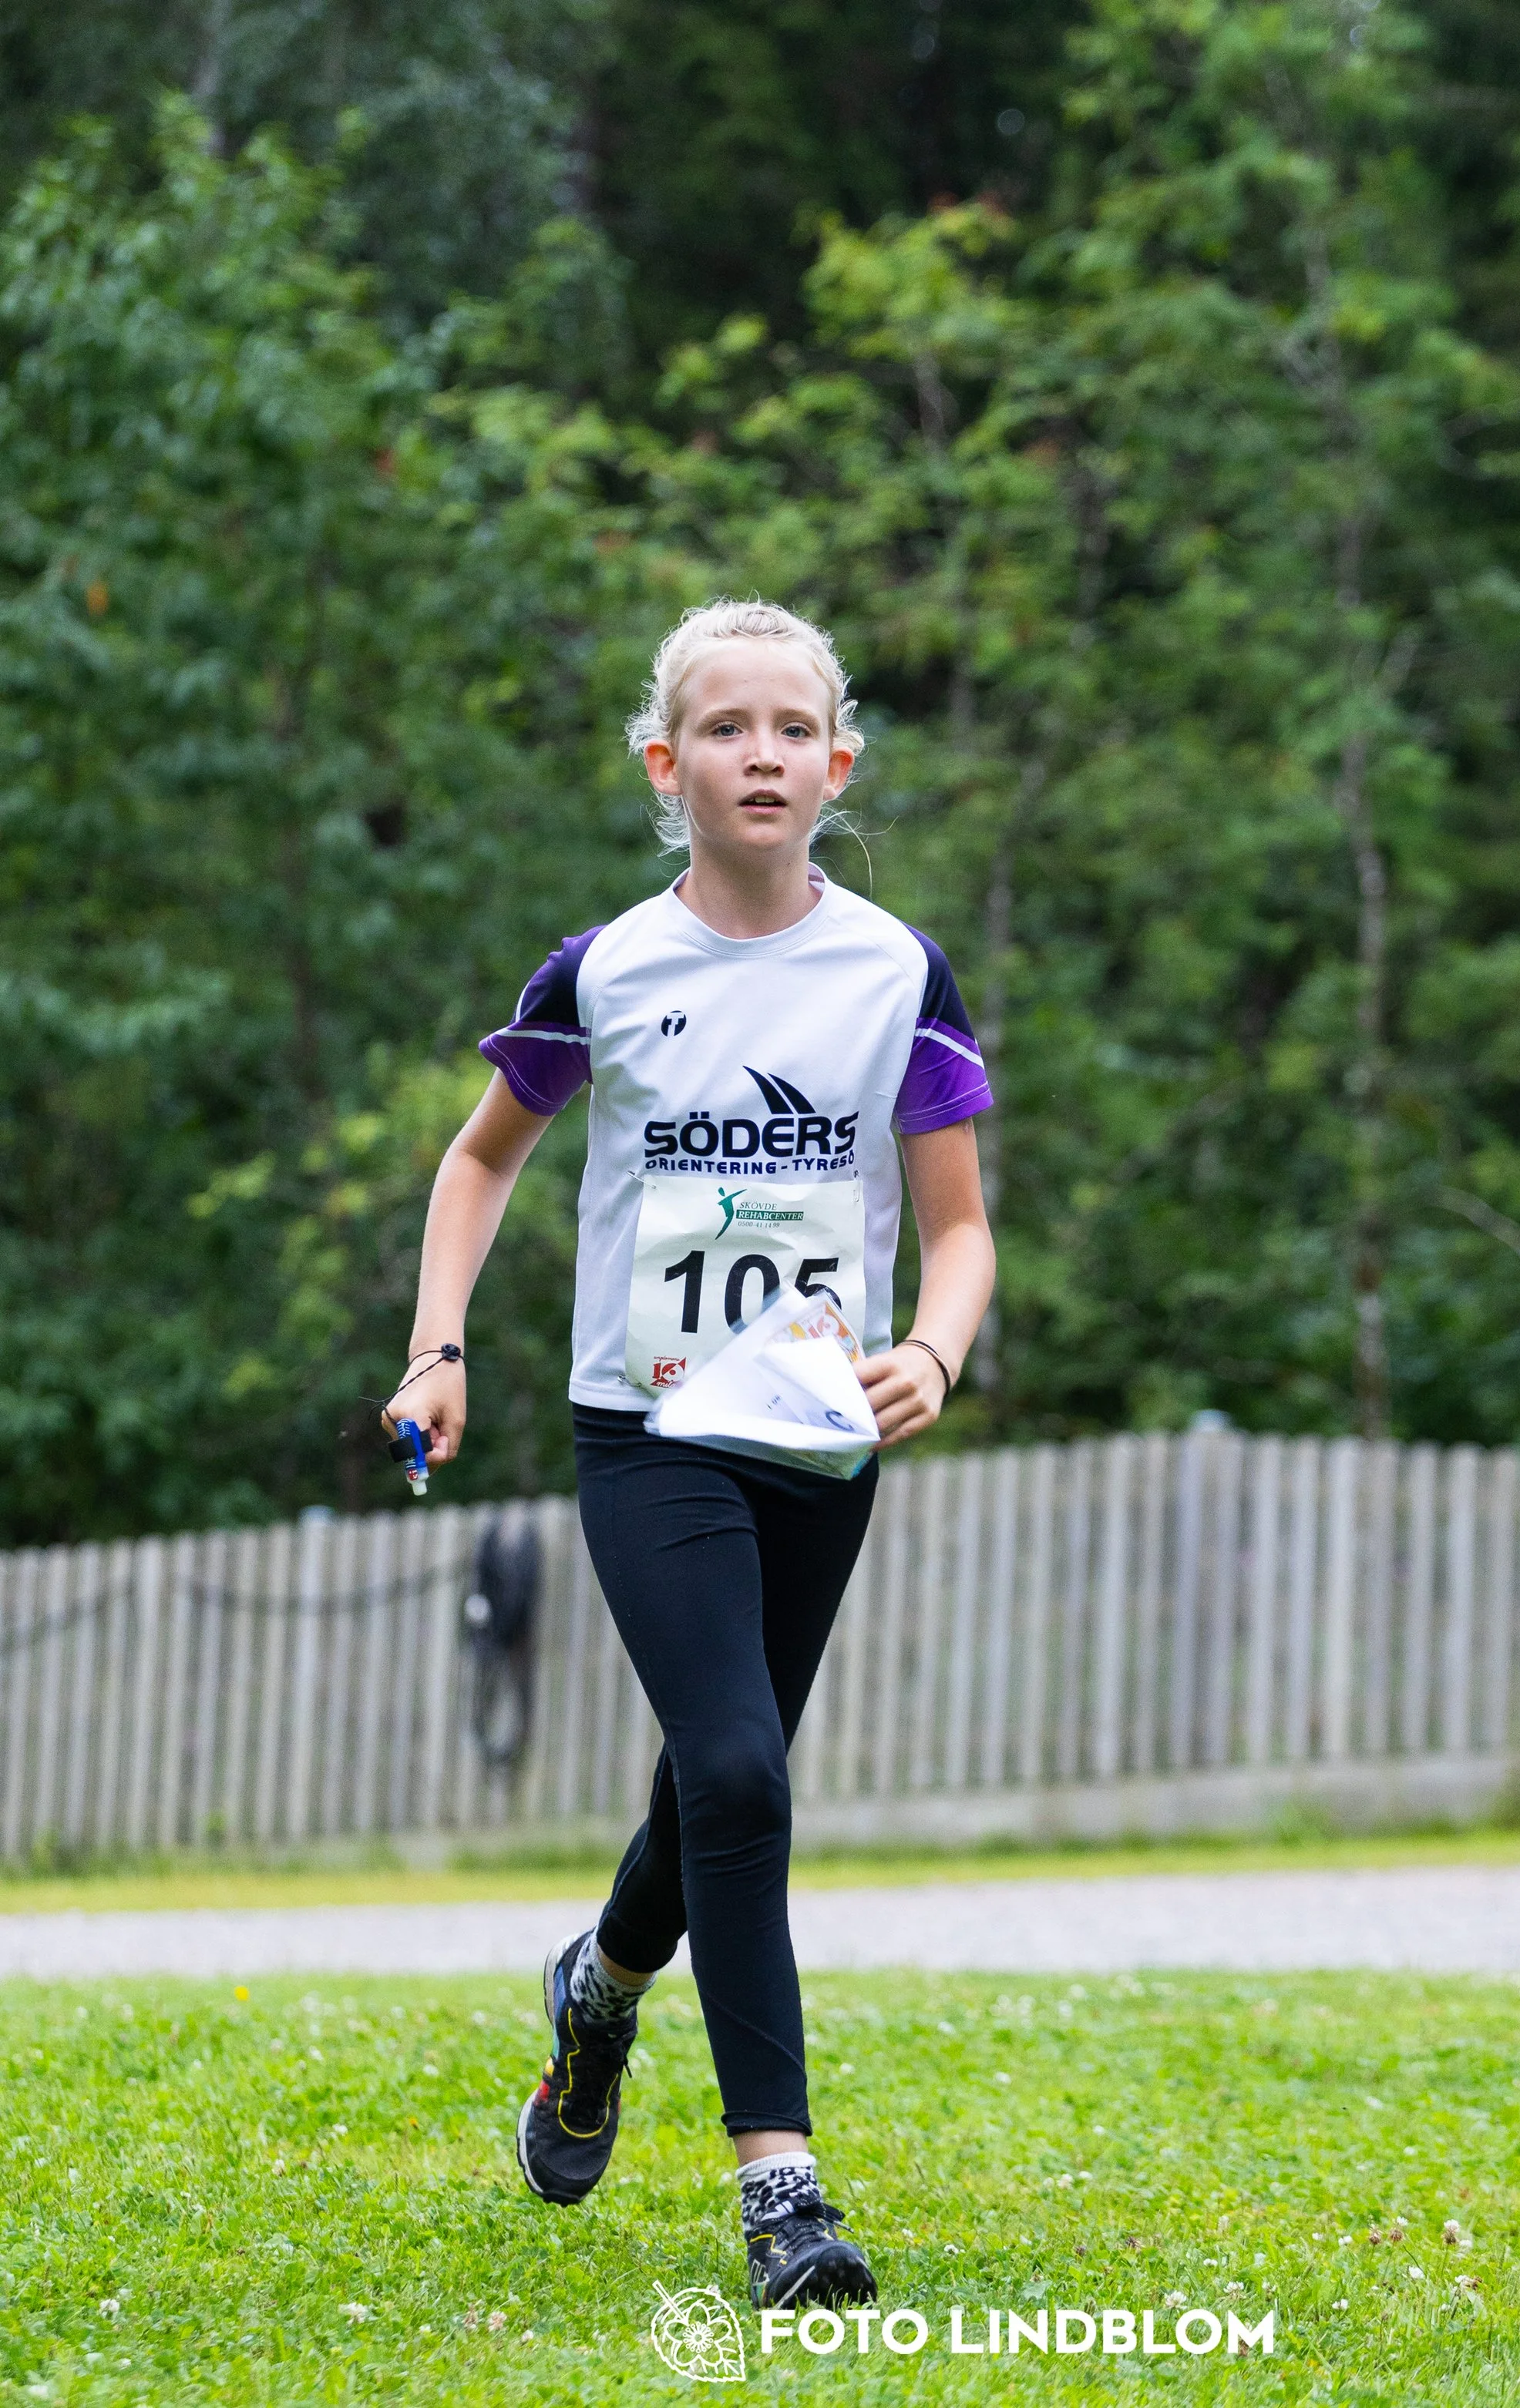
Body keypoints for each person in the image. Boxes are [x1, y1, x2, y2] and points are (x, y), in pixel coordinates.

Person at [385, 598, 997, 2308]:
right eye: (725, 728)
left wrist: (931, 1351)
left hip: (817, 1436)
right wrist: (438, 1348)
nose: (761, 755)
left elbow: (957, 1229)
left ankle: (598, 1992)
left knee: (718, 1778)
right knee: (738, 1773)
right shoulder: (606, 969)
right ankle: (780, 2192)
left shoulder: (895, 973)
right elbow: (480, 1159)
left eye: (793, 729)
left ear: (838, 765)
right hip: (647, 1428)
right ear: (667, 765)